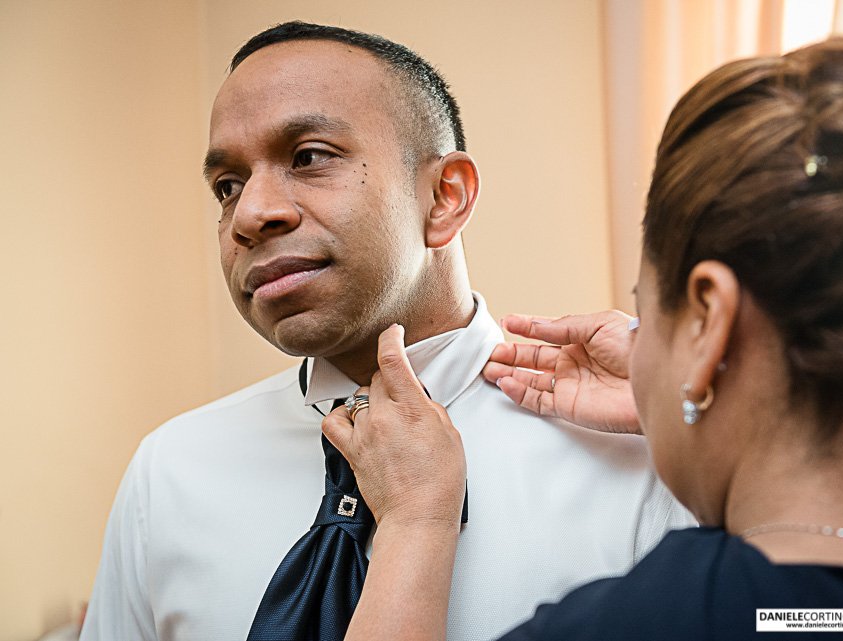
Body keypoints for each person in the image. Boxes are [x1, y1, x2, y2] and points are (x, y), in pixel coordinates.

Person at [322, 23, 843, 640]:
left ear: (709, 319)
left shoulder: (662, 621)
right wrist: (692, 399)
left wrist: (415, 522)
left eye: (646, 312)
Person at [79, 21, 692, 641]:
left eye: (308, 157)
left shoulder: (644, 452)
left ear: (445, 196)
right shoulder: (169, 471)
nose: (251, 214)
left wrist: (693, 405)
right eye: (227, 187)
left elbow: (791, 618)